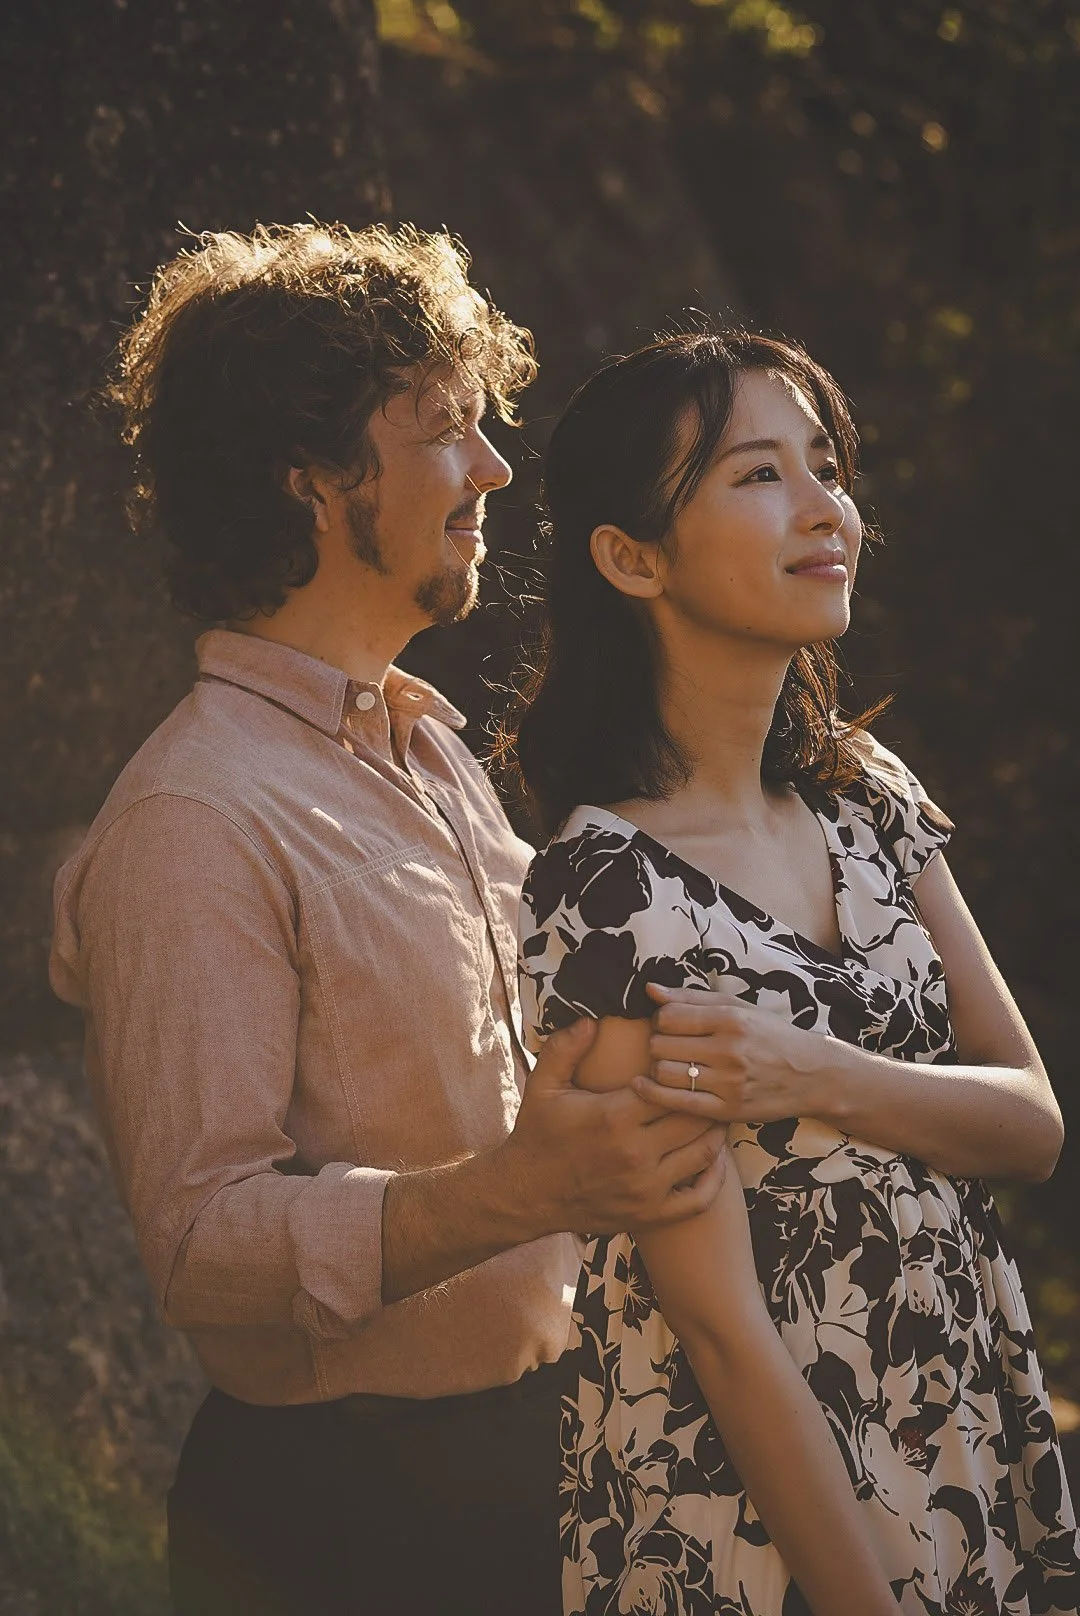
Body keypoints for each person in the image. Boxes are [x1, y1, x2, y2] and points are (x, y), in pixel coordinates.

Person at [48, 223, 739, 1616]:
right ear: (310, 481)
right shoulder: (195, 819)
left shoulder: (426, 751)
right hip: (338, 1530)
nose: (491, 470)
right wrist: (519, 1193)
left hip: (539, 1462)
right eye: (446, 432)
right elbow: (199, 1242)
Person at [506, 327, 1080, 1614]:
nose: (827, 508)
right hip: (753, 1521)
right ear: (630, 555)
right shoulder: (607, 891)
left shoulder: (866, 795)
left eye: (827, 465)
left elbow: (1032, 1120)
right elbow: (718, 1330)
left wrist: (809, 1069)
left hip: (959, 1436)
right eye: (759, 474)